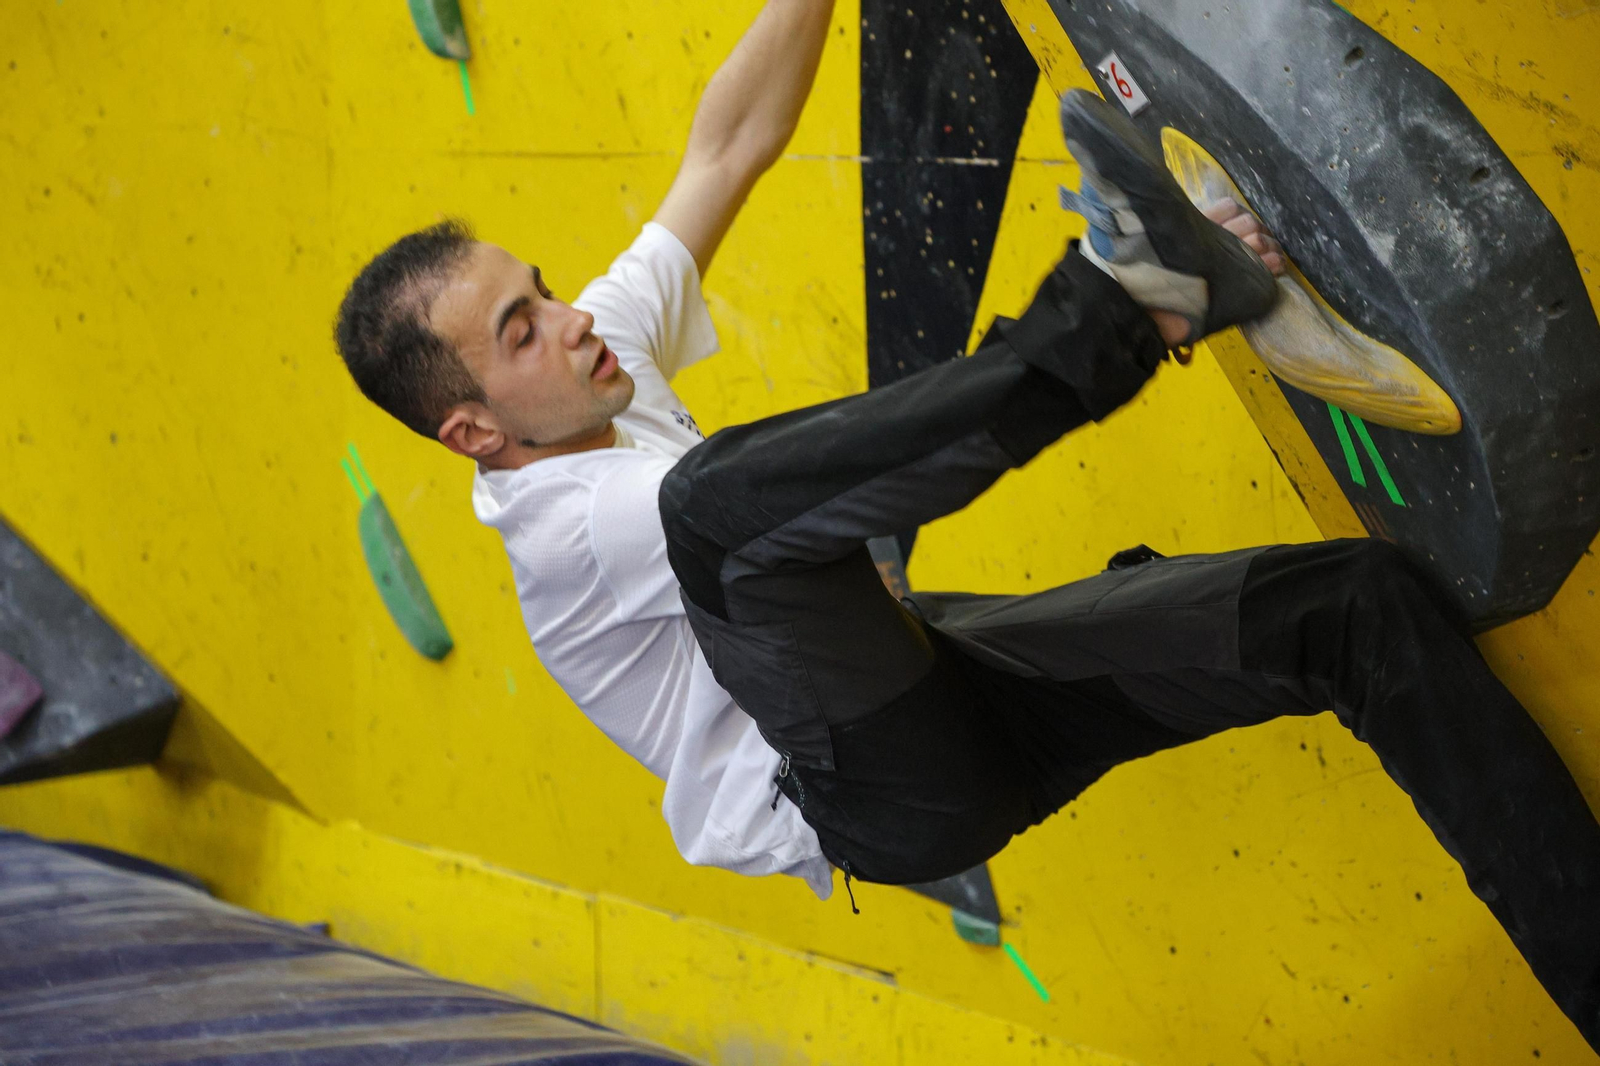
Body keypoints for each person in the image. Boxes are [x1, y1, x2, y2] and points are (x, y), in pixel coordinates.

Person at [333, 0, 1600, 1048]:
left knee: (1349, 611)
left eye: (542, 290)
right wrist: (1113, 314)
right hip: (873, 792)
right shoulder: (566, 527)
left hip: (957, 683)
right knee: (716, 512)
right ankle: (1134, 304)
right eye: (520, 332)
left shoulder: (587, 367)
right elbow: (771, 510)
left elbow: (725, 148)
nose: (569, 318)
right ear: (475, 434)